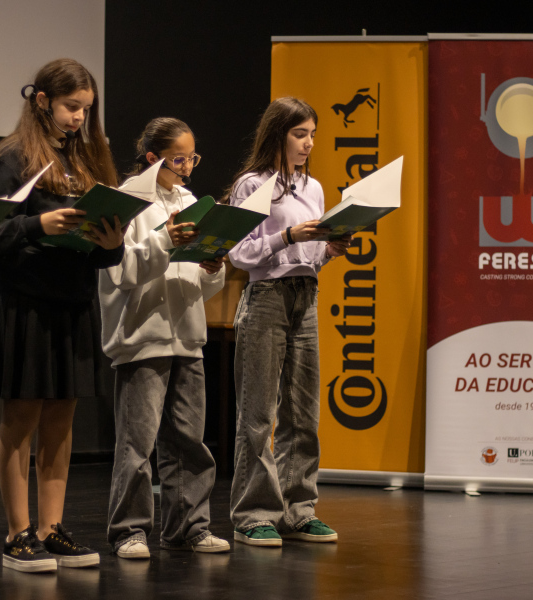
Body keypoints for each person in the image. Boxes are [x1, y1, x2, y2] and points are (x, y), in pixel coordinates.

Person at [0, 59, 124, 572]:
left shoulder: (87, 160)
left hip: (74, 303)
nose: (79, 118)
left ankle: (50, 527)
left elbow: (104, 255)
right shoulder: (13, 157)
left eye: (86, 109)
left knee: (62, 419)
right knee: (21, 418)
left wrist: (111, 243)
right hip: (27, 303)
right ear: (41, 101)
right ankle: (17, 533)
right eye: (70, 107)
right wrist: (38, 225)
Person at [224, 97, 352, 547]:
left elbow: (309, 258)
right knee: (258, 412)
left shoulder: (312, 187)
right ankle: (254, 514)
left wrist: (328, 250)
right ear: (277, 134)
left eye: (312, 134)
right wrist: (287, 236)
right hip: (266, 298)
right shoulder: (252, 184)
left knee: (303, 411)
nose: (308, 143)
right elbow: (238, 252)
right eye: (300, 134)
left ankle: (299, 510)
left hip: (305, 295)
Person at [100, 117, 230, 558]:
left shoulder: (192, 202)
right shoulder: (126, 201)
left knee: (189, 440)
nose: (188, 167)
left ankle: (189, 526)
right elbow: (119, 271)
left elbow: (198, 282)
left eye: (193, 158)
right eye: (179, 159)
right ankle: (129, 530)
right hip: (143, 334)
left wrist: (212, 268)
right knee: (137, 444)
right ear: (153, 158)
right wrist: (166, 242)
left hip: (188, 334)